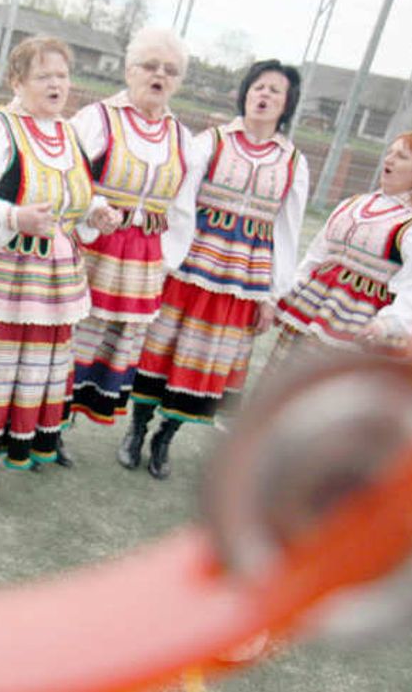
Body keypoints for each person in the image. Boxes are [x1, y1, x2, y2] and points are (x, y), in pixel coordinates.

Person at [0, 35, 122, 509]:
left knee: (12, 375)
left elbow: (69, 197)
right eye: (43, 75)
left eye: (62, 75)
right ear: (16, 81)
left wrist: (94, 211)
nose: (56, 84)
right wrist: (12, 218)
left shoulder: (69, 133)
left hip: (50, 285)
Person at [126, 59, 309, 480]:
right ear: (245, 93)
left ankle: (165, 438)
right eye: (258, 87)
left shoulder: (293, 162)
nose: (264, 95)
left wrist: (272, 295)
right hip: (193, 265)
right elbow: (180, 203)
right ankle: (137, 429)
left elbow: (287, 230)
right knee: (161, 349)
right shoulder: (211, 142)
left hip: (243, 279)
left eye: (274, 91)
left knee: (206, 361)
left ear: (286, 104)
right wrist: (167, 262)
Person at [68, 26, 200, 433]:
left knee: (109, 344)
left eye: (170, 70)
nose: (159, 75)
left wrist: (166, 261)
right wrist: (90, 215)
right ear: (129, 70)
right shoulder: (97, 118)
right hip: (92, 248)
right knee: (73, 334)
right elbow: (68, 178)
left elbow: (183, 209)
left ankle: (65, 426)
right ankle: (45, 424)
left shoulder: (182, 137)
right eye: (150, 66)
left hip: (141, 259)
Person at [269, 132, 412, 364]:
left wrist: (387, 324)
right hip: (311, 309)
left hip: (357, 328)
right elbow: (317, 255)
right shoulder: (353, 204)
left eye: (401, 156)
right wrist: (289, 290)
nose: (389, 159)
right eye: (390, 153)